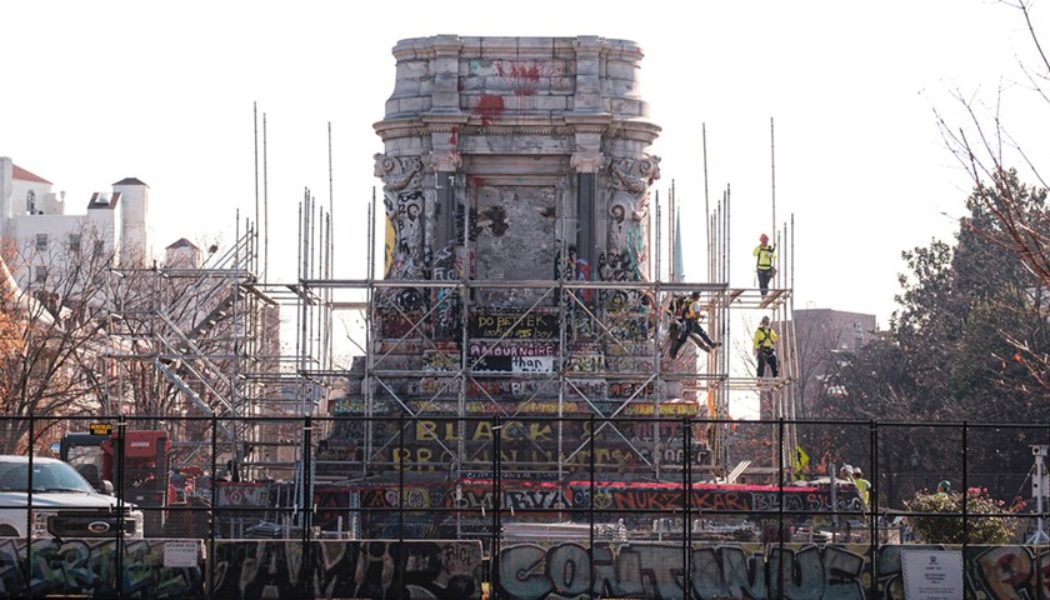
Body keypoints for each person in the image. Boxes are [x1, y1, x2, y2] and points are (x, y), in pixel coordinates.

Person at [669, 291, 721, 359]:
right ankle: (711, 344)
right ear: (697, 297)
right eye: (699, 297)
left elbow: (684, 312)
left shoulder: (687, 302)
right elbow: (696, 315)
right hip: (692, 323)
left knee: (682, 339)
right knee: (702, 333)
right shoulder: (695, 304)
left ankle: (673, 353)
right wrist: (700, 316)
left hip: (686, 322)